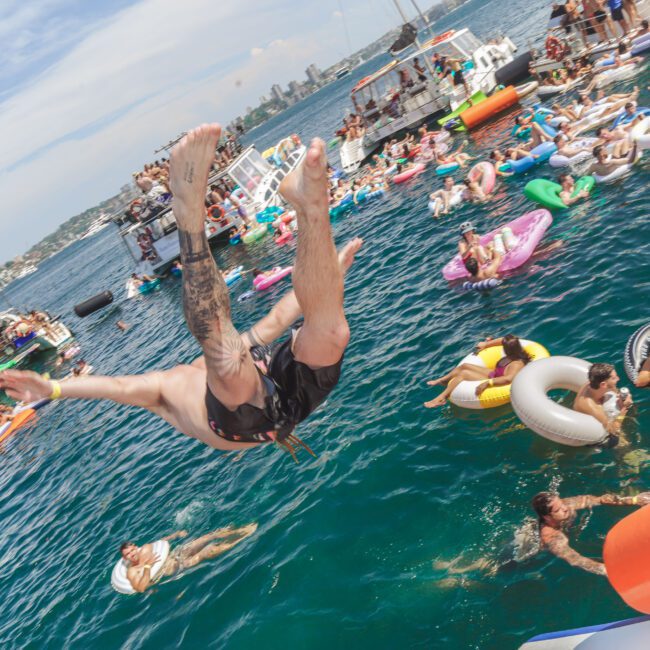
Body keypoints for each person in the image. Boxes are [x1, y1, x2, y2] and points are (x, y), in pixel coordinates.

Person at [0, 124, 363, 462]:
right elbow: (116, 387)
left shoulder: (185, 374)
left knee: (330, 331)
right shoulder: (166, 391)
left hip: (283, 398)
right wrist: (53, 389)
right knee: (231, 362)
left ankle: (308, 207)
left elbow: (284, 315)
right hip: (240, 421)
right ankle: (188, 215)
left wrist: (327, 281)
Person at [532, 491, 650, 576]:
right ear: (546, 517)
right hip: (531, 550)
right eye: (558, 510)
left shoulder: (566, 505)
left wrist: (633, 500)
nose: (565, 508)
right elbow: (575, 560)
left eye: (561, 503)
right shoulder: (552, 536)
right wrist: (606, 570)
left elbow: (599, 499)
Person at [119, 523, 257, 593]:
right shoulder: (132, 571)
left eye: (132, 550)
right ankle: (242, 538)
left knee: (207, 537)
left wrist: (176, 535)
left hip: (176, 553)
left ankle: (240, 530)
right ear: (125, 558)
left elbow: (160, 543)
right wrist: (148, 566)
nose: (132, 555)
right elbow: (140, 588)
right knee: (208, 551)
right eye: (128, 555)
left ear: (135, 547)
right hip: (179, 566)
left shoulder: (145, 548)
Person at [424, 335, 530, 408]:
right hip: (495, 373)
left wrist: (487, 383)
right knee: (464, 366)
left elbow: (508, 379)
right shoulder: (513, 351)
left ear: (508, 350)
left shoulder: (516, 364)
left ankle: (441, 398)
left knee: (463, 374)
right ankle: (442, 380)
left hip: (497, 380)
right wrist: (486, 344)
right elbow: (503, 340)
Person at [573, 362, 633, 443]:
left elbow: (615, 391)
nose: (618, 379)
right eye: (614, 378)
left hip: (600, 410)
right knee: (621, 442)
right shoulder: (590, 405)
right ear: (603, 385)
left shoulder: (594, 384)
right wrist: (624, 408)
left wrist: (622, 400)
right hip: (588, 434)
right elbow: (614, 430)